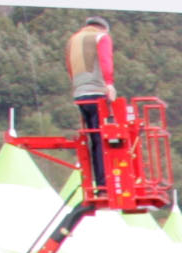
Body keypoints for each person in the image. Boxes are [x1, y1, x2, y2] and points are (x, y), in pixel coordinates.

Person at [64, 17, 114, 192]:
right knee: (103, 140)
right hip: (97, 94)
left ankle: (99, 183)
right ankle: (104, 184)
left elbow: (69, 67)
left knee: (93, 139)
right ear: (103, 28)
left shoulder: (72, 40)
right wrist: (109, 84)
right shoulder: (101, 37)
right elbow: (106, 61)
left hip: (80, 95)